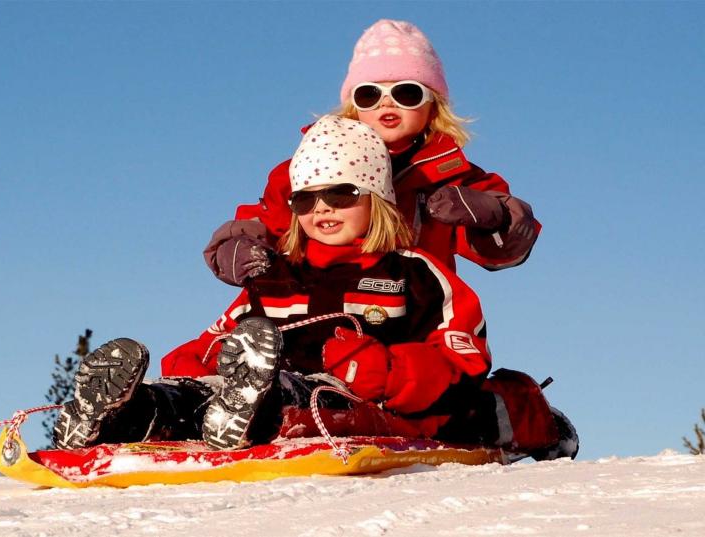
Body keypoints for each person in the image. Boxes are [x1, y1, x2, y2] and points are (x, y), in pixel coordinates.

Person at [54, 117, 576, 460]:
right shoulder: (277, 274)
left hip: (354, 397)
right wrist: (198, 364)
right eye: (306, 199)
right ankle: (132, 412)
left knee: (304, 400)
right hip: (257, 382)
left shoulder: (414, 274)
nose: (322, 209)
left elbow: (461, 361)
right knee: (193, 393)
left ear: (377, 200)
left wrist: (387, 372)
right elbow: (216, 338)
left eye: (341, 193)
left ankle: (248, 409)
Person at [205, 19, 541, 289]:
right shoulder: (314, 166)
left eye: (407, 92)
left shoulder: (452, 177)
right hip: (323, 300)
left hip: (415, 310)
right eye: (369, 94)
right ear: (353, 106)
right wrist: (237, 248)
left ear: (433, 105)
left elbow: (504, 253)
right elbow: (269, 219)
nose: (387, 102)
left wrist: (494, 216)